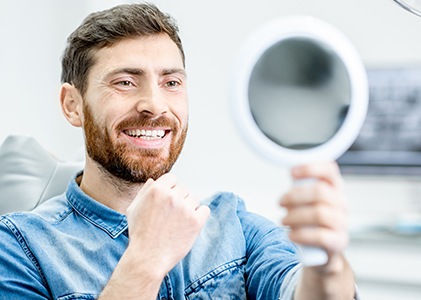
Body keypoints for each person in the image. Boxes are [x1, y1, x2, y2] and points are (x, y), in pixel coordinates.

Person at [0, 3, 358, 299]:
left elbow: (300, 289)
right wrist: (146, 258)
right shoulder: (18, 246)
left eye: (171, 83)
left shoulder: (234, 225)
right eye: (125, 82)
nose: (155, 105)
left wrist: (325, 265)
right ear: (73, 105)